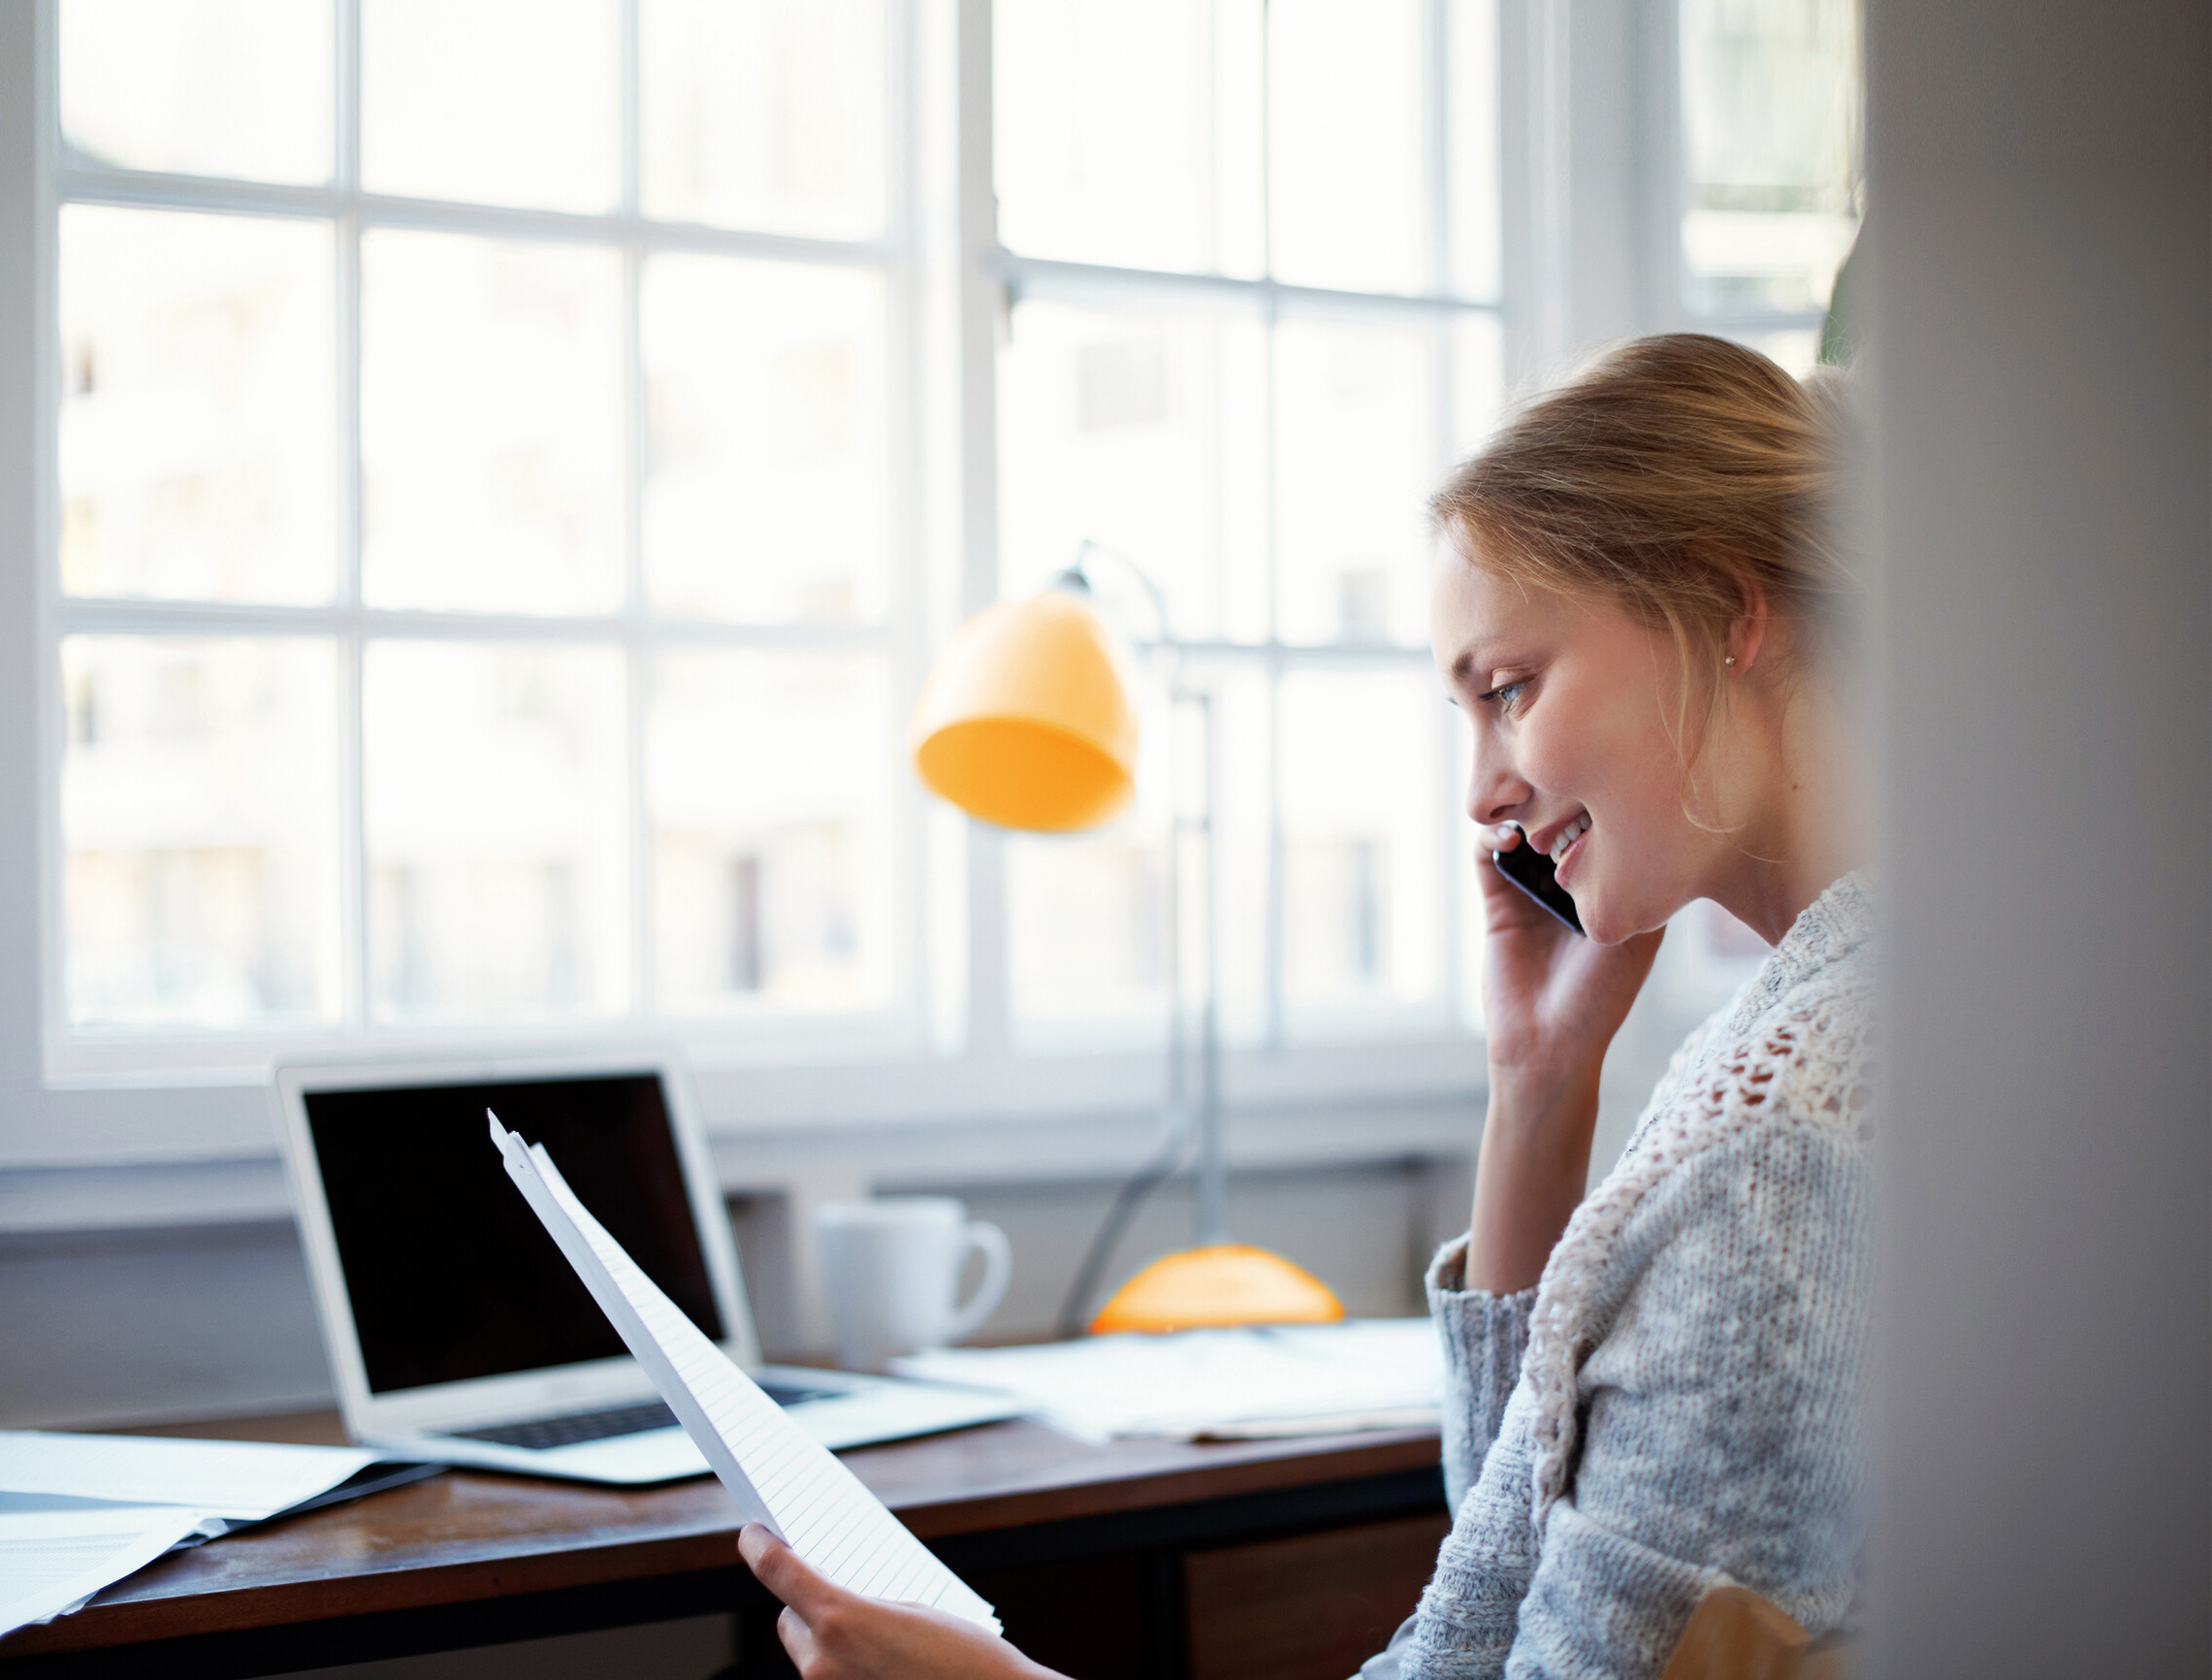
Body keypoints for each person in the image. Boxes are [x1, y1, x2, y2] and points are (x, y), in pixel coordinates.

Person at [736, 334, 1875, 1679]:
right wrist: (1538, 1078)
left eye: (1509, 690)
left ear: (1731, 611)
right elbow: (1507, 1584)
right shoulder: (1842, 1033)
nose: (1483, 791)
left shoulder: (1774, 1147)